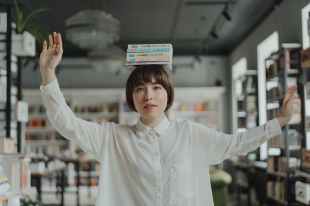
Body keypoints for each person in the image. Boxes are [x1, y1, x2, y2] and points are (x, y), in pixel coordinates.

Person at [39, 32, 298, 206]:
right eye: (140, 89)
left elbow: (237, 143)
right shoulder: (113, 138)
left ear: (168, 94)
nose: (148, 95)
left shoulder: (191, 134)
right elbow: (67, 123)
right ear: (132, 97)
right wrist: (49, 73)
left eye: (156, 88)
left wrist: (280, 121)